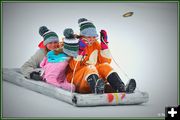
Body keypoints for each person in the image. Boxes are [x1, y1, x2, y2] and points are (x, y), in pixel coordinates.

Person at [66, 18, 136, 94]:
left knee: (105, 66)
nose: (92, 39)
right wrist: (79, 51)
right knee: (91, 67)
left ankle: (120, 87)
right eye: (89, 37)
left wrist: (104, 46)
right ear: (82, 36)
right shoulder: (74, 45)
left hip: (93, 77)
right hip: (77, 79)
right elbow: (73, 67)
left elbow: (105, 62)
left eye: (94, 37)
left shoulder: (95, 44)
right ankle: (96, 88)